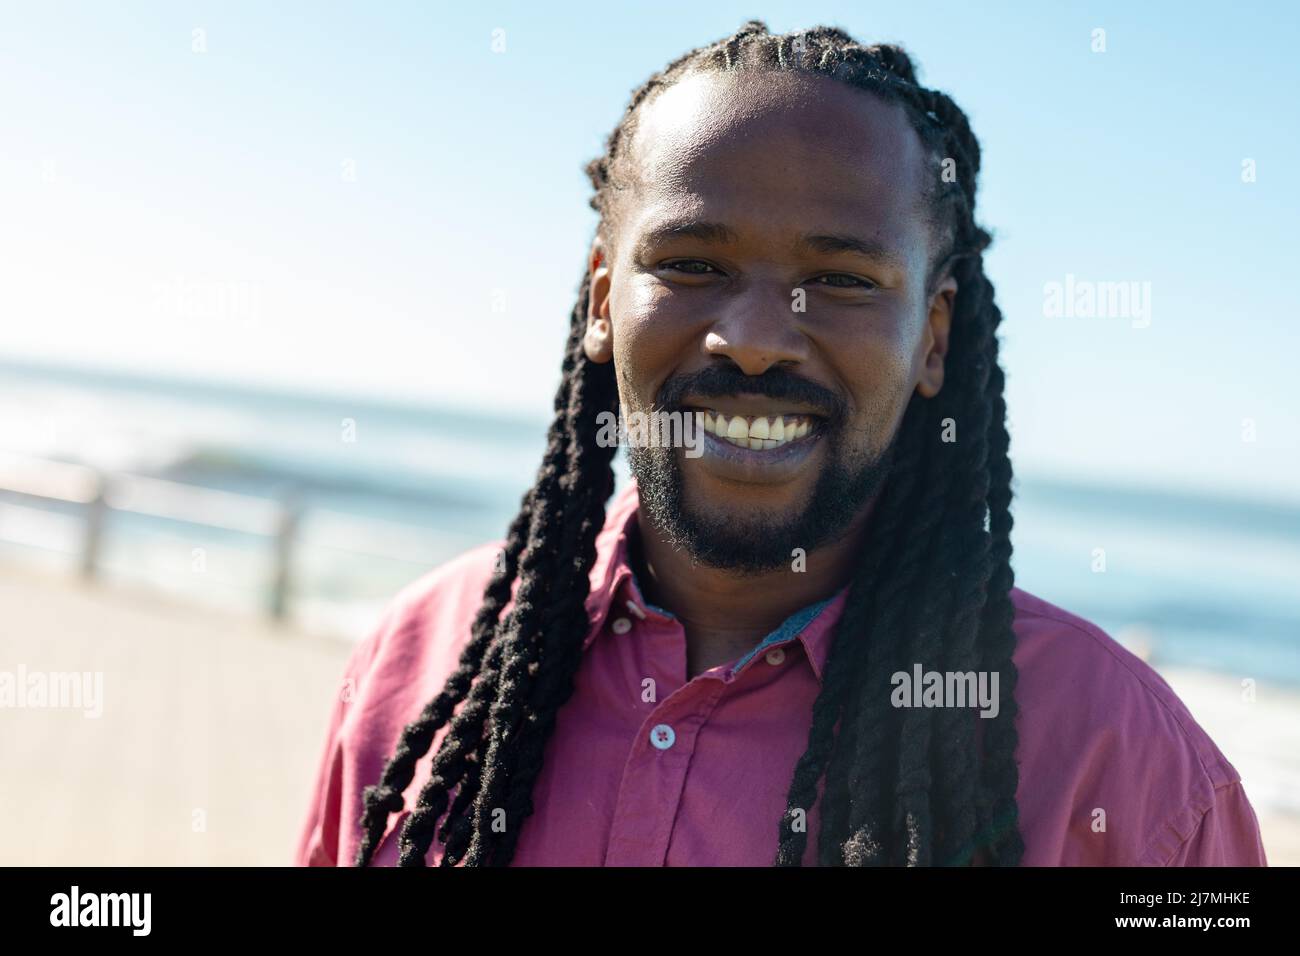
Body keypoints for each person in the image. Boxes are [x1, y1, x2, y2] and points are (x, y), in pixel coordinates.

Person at [295, 20, 1268, 867]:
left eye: (841, 280)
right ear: (602, 299)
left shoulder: (1124, 762)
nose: (754, 338)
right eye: (691, 262)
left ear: (932, 336)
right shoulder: (417, 664)